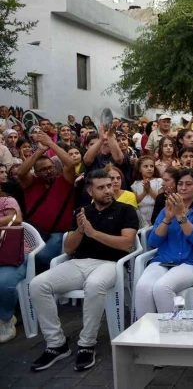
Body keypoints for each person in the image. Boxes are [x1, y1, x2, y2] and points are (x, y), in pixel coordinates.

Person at [29, 169, 139, 372]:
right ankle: (56, 344)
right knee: (37, 284)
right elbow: (69, 248)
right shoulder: (81, 212)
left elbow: (127, 244)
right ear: (90, 191)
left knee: (95, 284)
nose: (108, 190)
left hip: (110, 264)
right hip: (78, 263)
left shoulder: (125, 210)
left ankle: (87, 343)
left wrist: (93, 233)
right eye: (101, 187)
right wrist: (81, 230)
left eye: (109, 185)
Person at [134, 169, 193, 319]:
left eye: (188, 184)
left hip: (192, 262)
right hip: (164, 259)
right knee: (143, 287)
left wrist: (180, 216)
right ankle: (148, 336)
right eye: (180, 184)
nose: (183, 188)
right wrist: (167, 219)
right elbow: (153, 242)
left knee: (162, 287)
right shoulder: (167, 210)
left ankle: (174, 335)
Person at [17, 131, 77, 272]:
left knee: (42, 257)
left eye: (50, 167)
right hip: (33, 232)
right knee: (21, 258)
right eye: (43, 170)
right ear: (36, 173)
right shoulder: (31, 183)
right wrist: (39, 151)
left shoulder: (64, 181)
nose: (48, 171)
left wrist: (50, 143)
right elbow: (20, 172)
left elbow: (69, 164)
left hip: (58, 234)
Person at [0, 190, 24, 343]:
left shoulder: (7, 201)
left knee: (4, 283)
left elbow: (16, 218)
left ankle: (6, 319)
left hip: (12, 253)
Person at [131, 156, 163, 226]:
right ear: (140, 169)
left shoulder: (159, 181)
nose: (149, 169)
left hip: (156, 212)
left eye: (151, 166)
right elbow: (135, 202)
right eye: (146, 166)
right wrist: (144, 192)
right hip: (142, 215)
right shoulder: (136, 184)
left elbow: (160, 200)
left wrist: (149, 189)